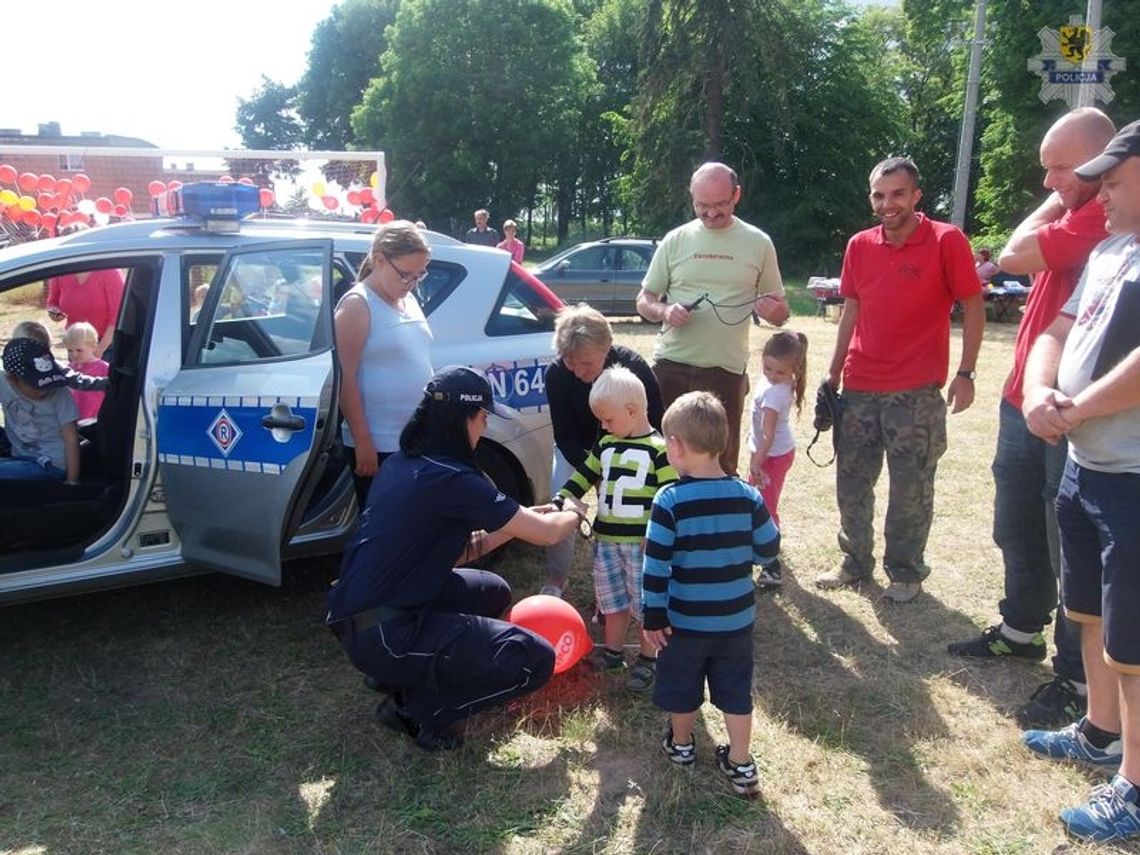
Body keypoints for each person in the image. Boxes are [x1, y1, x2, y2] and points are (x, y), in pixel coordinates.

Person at [947, 108, 1116, 729]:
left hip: (1069, 407)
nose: (1048, 184)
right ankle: (1020, 629)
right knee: (1016, 520)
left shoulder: (1104, 216)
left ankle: (1075, 677)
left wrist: (1060, 206)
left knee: (1066, 538)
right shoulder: (1079, 207)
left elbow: (1015, 255)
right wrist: (1062, 193)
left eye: (1061, 169)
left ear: (1105, 164)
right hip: (1023, 396)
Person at [326, 366, 584, 751]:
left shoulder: (407, 462)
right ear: (464, 418)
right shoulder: (454, 479)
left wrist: (521, 520)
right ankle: (419, 710)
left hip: (360, 619)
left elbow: (459, 551)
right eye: (482, 418)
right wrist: (574, 511)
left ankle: (402, 672)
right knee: (534, 660)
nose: (483, 428)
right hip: (386, 634)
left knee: (491, 591)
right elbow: (547, 534)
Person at [1018, 119, 1140, 844]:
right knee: (1090, 613)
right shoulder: (1109, 251)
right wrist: (1040, 391)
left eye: (1115, 181)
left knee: (1134, 638)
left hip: (1132, 475)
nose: (1100, 195)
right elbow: (1056, 330)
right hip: (1087, 464)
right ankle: (1099, 732)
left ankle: (1133, 785)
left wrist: (1075, 407)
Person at [814, 157, 984, 604]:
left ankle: (905, 572)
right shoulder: (859, 245)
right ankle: (854, 562)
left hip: (916, 392)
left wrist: (966, 372)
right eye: (879, 195)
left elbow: (973, 304)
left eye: (897, 194)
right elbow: (850, 308)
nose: (887, 204)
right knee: (852, 482)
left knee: (911, 486)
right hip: (860, 385)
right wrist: (833, 371)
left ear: (916, 196)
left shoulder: (947, 240)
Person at [642, 391, 780, 798]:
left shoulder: (670, 501)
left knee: (682, 686)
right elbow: (769, 550)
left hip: (683, 622)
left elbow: (656, 565)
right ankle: (740, 762)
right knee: (736, 692)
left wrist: (653, 617)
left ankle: (682, 746)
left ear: (677, 446)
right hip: (736, 622)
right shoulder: (748, 496)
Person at [636, 162, 789, 476]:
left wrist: (777, 314)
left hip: (725, 370)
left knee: (720, 462)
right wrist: (665, 311)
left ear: (737, 195)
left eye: (720, 205)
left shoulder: (758, 243)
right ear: (692, 198)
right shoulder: (675, 240)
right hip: (670, 365)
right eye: (701, 206)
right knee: (662, 460)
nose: (710, 214)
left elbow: (780, 309)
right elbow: (644, 300)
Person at [555, 366, 677, 691]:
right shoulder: (606, 445)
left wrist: (659, 534)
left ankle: (649, 659)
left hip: (642, 546)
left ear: (633, 411)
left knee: (646, 604)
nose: (603, 426)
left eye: (608, 419)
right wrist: (563, 497)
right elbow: (583, 475)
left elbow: (669, 497)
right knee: (612, 601)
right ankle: (612, 653)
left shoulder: (660, 449)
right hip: (606, 541)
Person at [541, 304, 664, 598]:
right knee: (560, 499)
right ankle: (557, 577)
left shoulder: (634, 367)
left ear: (607, 348)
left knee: (634, 510)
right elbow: (565, 434)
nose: (578, 370)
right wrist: (595, 471)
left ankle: (645, 576)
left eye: (586, 363)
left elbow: (656, 420)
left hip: (635, 450)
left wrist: (622, 467)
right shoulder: (556, 375)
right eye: (570, 362)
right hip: (580, 452)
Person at [334, 220, 434, 508]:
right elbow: (346, 377)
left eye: (420, 275)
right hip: (379, 445)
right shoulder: (357, 305)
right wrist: (363, 440)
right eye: (406, 275)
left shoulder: (407, 298)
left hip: (413, 440)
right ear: (380, 260)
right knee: (384, 531)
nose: (412, 283)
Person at [746, 330, 807, 588]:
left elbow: (768, 436)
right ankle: (760, 550)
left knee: (765, 510)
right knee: (758, 504)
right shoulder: (774, 384)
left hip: (771, 457)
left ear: (795, 369)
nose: (772, 375)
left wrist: (756, 462)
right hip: (765, 454)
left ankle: (772, 568)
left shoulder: (776, 394)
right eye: (768, 368)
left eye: (779, 372)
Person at [0, 337, 79, 483]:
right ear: (12, 379)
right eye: (34, 386)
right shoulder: (3, 382)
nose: (42, 390)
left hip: (51, 465)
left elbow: (71, 439)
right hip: (19, 457)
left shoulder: (59, 392)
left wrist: (72, 481)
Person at [46, 267, 125, 358]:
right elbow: (52, 303)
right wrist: (55, 313)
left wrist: (99, 350)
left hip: (106, 343)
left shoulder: (111, 273)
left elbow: (118, 316)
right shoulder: (61, 272)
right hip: (75, 343)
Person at [61, 322, 108, 421]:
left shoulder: (104, 368)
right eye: (70, 350)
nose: (74, 354)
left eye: (79, 350)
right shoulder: (68, 369)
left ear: (94, 346)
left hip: (94, 420)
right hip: (72, 418)